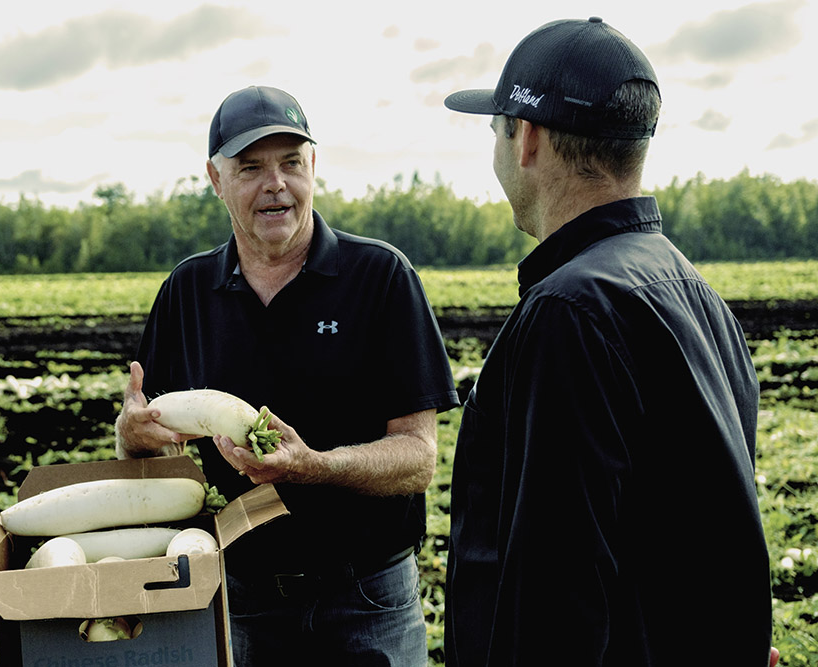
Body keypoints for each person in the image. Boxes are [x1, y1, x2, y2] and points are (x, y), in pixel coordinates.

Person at [441, 17, 775, 667]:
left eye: (496, 131)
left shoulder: (570, 313)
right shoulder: (694, 292)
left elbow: (557, 593)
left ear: (527, 138)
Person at [115, 85, 459, 666]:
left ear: (313, 168)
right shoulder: (187, 292)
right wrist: (133, 439)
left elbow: (418, 458)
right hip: (241, 596)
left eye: (291, 163)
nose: (275, 184)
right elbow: (153, 457)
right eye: (251, 167)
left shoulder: (380, 278)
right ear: (215, 179)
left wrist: (314, 468)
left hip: (367, 597)